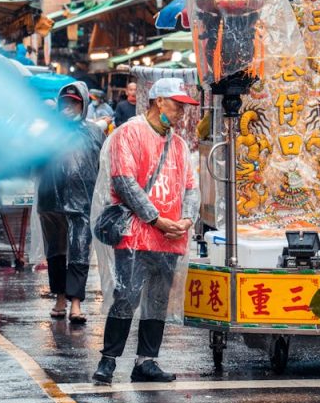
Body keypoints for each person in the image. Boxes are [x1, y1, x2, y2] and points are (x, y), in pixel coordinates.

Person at [93, 78, 200, 384]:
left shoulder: (179, 145)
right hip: (136, 235)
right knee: (126, 295)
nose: (181, 111)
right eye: (176, 104)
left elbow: (191, 188)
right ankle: (108, 360)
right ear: (158, 102)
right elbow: (124, 181)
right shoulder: (129, 133)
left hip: (171, 238)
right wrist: (156, 219)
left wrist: (187, 220)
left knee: (157, 300)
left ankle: (146, 361)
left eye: (183, 106)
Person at [37, 82, 104, 323]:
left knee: (79, 251)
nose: (69, 107)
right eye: (65, 102)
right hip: (51, 202)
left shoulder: (95, 132)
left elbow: (102, 165)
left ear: (83, 104)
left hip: (82, 203)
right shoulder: (48, 132)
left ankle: (76, 303)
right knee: (55, 252)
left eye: (74, 103)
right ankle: (60, 298)